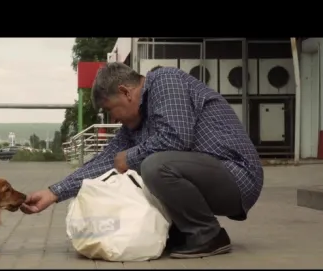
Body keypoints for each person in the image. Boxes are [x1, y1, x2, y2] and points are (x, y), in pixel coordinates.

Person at [21, 63, 264, 259]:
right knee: (139, 165)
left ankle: (208, 234)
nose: (114, 120)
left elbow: (176, 138)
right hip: (209, 176)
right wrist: (54, 192)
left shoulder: (166, 82)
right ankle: (182, 231)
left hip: (237, 176)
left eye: (112, 110)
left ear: (126, 92)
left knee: (153, 165)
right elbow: (107, 160)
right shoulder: (134, 123)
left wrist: (131, 157)